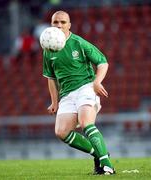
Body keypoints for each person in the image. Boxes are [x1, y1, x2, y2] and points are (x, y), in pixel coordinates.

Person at [42, 10, 115, 175]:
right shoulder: (48, 49)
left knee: (85, 123)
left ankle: (107, 166)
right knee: (61, 132)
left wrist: (97, 82)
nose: (59, 25)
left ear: (69, 25)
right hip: (66, 95)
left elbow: (102, 62)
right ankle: (100, 154)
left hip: (86, 88)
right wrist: (55, 101)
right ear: (51, 24)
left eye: (62, 22)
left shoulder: (79, 43)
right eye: (55, 22)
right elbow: (50, 78)